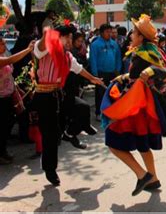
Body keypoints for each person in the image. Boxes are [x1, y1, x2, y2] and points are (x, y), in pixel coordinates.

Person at [102, 14, 166, 196]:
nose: (130, 36)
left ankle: (142, 174)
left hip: (137, 105)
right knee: (143, 145)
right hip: (138, 103)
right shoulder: (141, 51)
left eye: (134, 33)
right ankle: (153, 179)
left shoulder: (148, 52)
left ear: (141, 37)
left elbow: (164, 71)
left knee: (112, 142)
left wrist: (150, 70)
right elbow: (137, 74)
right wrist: (124, 77)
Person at [32, 22, 104, 186]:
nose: (71, 41)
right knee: (50, 136)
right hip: (44, 96)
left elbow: (78, 69)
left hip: (59, 94)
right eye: (69, 38)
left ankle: (70, 133)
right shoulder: (45, 49)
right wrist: (48, 32)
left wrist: (94, 79)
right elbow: (39, 46)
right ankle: (50, 169)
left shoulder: (67, 55)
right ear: (61, 37)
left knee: (83, 108)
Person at [0, 38, 36, 164]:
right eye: (2, 44)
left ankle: (3, 151)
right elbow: (10, 60)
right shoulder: (3, 58)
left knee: (8, 123)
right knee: (3, 125)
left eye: (5, 43)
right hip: (1, 98)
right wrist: (27, 49)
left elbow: (10, 74)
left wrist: (17, 88)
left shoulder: (4, 54)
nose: (5, 45)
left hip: (9, 94)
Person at [89, 24, 122, 120]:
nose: (110, 34)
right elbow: (93, 60)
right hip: (100, 73)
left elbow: (118, 57)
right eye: (107, 32)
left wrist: (118, 70)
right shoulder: (95, 44)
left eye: (110, 32)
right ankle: (99, 113)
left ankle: (110, 111)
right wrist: (95, 75)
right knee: (100, 93)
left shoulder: (114, 44)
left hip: (113, 73)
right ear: (101, 32)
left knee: (112, 92)